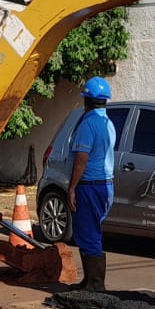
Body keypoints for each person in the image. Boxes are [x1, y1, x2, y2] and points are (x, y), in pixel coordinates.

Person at [66, 76, 116, 291]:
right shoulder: (108, 123)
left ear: (86, 99)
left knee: (88, 233)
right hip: (104, 185)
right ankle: (89, 281)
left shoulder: (88, 124)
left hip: (89, 185)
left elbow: (81, 160)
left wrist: (72, 187)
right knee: (91, 231)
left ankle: (95, 284)